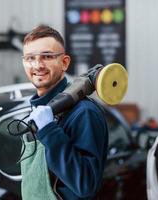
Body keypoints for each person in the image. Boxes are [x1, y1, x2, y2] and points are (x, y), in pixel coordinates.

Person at [21, 25, 108, 200]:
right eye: (30, 58)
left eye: (47, 56)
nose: (37, 65)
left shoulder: (84, 113)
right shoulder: (37, 112)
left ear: (65, 63)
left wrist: (50, 131)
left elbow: (86, 184)